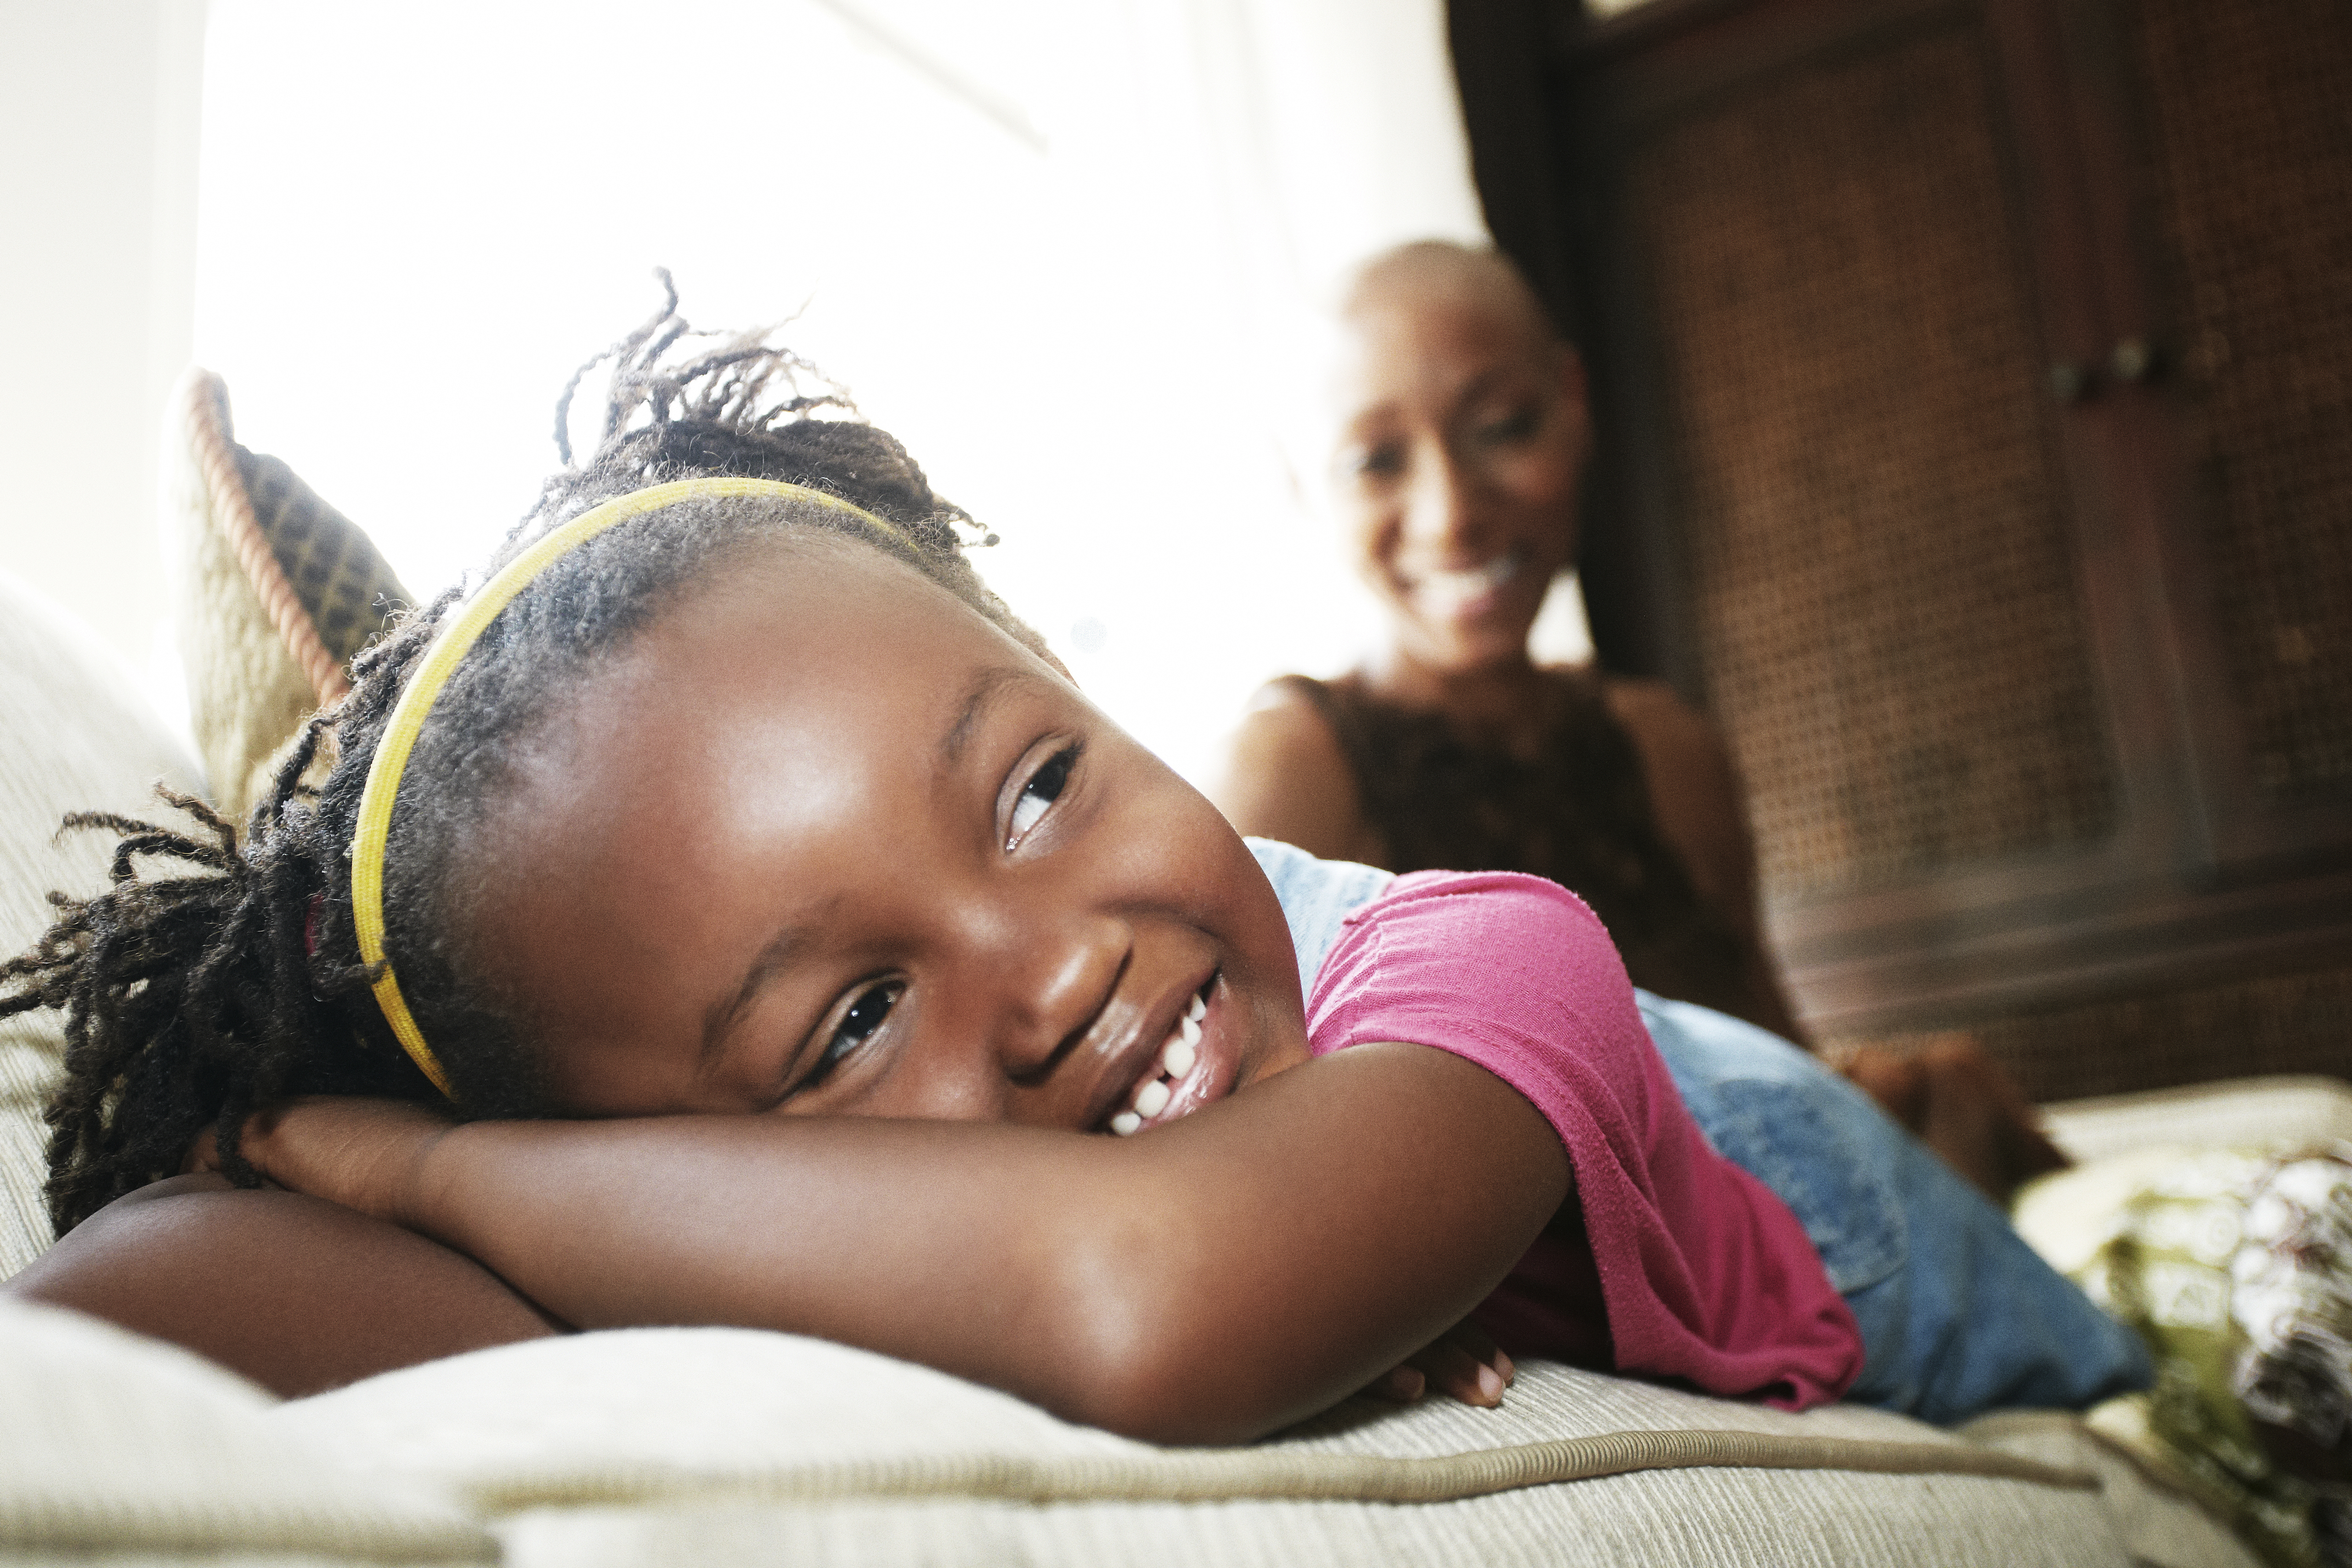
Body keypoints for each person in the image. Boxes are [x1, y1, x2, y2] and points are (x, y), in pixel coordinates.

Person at [0, 295, 2142, 1441]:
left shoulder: (1491, 960)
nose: (1048, 973)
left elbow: (1152, 1292)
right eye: (845, 1021)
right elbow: (108, 1319)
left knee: (2135, 1316)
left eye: (1033, 783)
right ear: (681, 1159)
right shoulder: (743, 1210)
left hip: (1816, 1201)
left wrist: (428, 1172)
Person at [1213, 240, 2066, 1202]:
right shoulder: (1294, 771)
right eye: (1375, 460)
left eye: (1500, 427)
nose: (1450, 514)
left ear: (1574, 405)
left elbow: (1772, 1062)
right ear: (1304, 484)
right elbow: (1265, 1176)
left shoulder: (1666, 748)